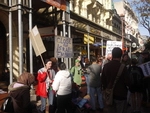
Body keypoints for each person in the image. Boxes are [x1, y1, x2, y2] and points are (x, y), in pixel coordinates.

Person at [101, 47, 131, 113]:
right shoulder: (123, 67)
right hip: (121, 94)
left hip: (109, 95)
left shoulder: (106, 66)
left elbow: (103, 80)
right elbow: (128, 82)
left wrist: (106, 89)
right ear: (121, 56)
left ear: (112, 55)